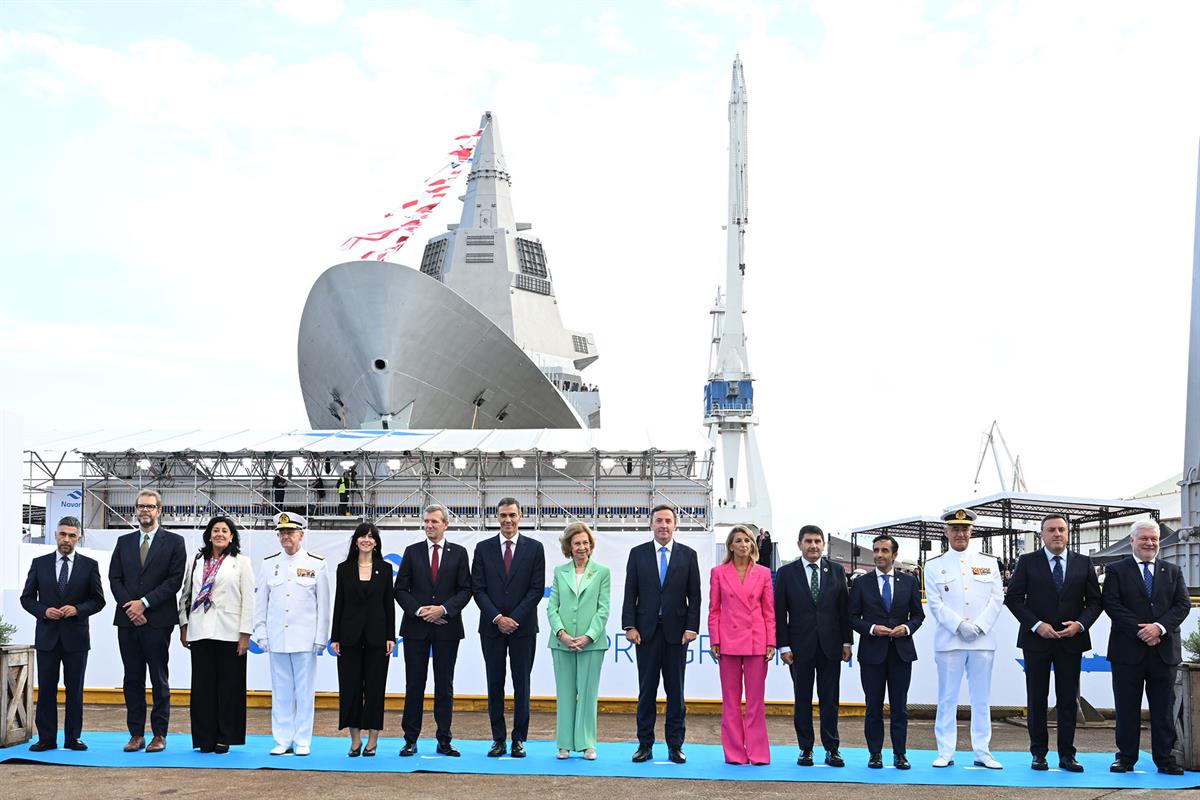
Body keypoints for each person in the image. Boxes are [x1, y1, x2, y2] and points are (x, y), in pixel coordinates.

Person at [1003, 513, 1102, 772]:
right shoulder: (1027, 562)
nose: (1057, 534)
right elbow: (1013, 599)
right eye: (1051, 530)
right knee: (1037, 697)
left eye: (1061, 529)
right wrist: (1037, 625)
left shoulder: (1083, 563)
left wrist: (1080, 625)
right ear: (1042, 535)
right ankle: (1038, 754)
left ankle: (1067, 755)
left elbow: (1095, 602)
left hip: (1071, 641)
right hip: (1037, 640)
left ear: (1068, 533)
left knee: (1068, 699)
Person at [1103, 519, 1190, 775]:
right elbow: (1112, 604)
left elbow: (1182, 605)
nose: (1149, 543)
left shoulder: (1173, 571)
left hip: (1163, 651)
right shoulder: (1116, 570)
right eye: (1143, 538)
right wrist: (1142, 630)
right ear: (1132, 541)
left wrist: (1159, 628)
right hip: (1127, 651)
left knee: (1163, 709)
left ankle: (1165, 759)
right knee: (1127, 707)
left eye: (1153, 539)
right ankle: (1125, 758)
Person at [924, 508, 1005, 769]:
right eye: (955, 529)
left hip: (982, 641)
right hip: (949, 641)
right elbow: (935, 604)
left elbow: (996, 598)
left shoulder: (989, 562)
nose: (960, 533)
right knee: (947, 698)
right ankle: (945, 751)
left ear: (972, 531)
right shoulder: (934, 565)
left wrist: (979, 626)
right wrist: (959, 625)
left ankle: (982, 751)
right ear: (946, 532)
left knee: (981, 699)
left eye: (965, 529)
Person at [108, 488, 187, 753]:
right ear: (135, 510)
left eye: (150, 506)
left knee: (158, 679)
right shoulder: (123, 542)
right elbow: (115, 579)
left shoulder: (175, 542)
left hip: (157, 621)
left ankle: (159, 735)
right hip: (127, 620)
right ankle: (136, 735)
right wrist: (131, 607)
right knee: (132, 679)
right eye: (141, 506)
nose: (145, 510)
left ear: (159, 510)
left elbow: (174, 581)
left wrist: (145, 603)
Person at [622, 504, 702, 764]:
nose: (663, 525)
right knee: (646, 691)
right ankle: (644, 745)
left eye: (668, 521)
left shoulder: (688, 555)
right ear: (651, 524)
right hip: (645, 634)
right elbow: (630, 593)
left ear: (675, 525)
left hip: (677, 635)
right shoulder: (637, 554)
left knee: (676, 693)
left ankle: (675, 745)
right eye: (658, 521)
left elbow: (695, 596)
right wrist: (629, 626)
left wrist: (692, 628)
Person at [20, 516, 106, 752]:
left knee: (75, 690)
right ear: (55, 534)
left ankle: (73, 738)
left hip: (76, 639)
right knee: (46, 689)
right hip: (47, 637)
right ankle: (46, 738)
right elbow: (26, 599)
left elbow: (99, 601)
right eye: (62, 534)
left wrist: (78, 609)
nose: (66, 539)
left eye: (71, 535)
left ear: (79, 537)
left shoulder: (90, 565)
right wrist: (44, 611)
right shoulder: (39, 563)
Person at [394, 504, 473, 757]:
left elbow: (465, 590)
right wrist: (420, 611)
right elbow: (400, 589)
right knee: (414, 684)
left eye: (434, 522)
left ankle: (444, 740)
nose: (429, 526)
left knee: (444, 685)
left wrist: (443, 610)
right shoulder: (412, 551)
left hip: (447, 629)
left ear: (445, 524)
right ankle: (410, 739)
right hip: (416, 629)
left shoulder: (459, 553)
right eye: (426, 521)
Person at [471, 497, 546, 758]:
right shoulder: (482, 548)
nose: (507, 520)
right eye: (503, 515)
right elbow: (477, 589)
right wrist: (497, 618)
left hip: (523, 629)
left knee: (521, 684)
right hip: (492, 628)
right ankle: (498, 739)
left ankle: (518, 740)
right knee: (495, 684)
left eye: (512, 515)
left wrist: (514, 618)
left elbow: (537, 589)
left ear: (520, 517)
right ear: (497, 518)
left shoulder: (535, 548)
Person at [253, 512, 331, 756]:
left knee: (305, 692)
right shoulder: (268, 563)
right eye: (282, 533)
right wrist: (262, 633)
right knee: (281, 691)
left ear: (301, 535)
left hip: (305, 639)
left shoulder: (317, 563)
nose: (286, 537)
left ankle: (303, 739)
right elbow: (261, 602)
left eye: (291, 532)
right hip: (277, 638)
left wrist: (321, 637)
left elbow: (324, 604)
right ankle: (283, 739)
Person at [775, 524, 852, 767]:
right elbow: (780, 613)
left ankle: (832, 749)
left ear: (823, 545)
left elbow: (844, 610)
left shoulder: (837, 571)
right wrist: (783, 646)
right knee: (803, 700)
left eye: (817, 541)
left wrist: (847, 641)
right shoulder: (787, 573)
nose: (813, 546)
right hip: (799, 649)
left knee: (830, 700)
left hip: (831, 647)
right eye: (808, 541)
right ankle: (805, 749)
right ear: (799, 544)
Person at [178, 516, 255, 754]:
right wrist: (183, 626)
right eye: (215, 530)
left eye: (225, 530)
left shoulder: (241, 562)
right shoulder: (196, 561)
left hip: (230, 632)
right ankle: (204, 737)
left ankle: (225, 736)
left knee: (229, 688)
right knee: (202, 688)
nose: (220, 534)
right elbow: (185, 595)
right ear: (209, 535)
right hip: (200, 630)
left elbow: (249, 600)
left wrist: (245, 634)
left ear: (232, 536)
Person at [848, 534, 924, 770]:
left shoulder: (909, 582)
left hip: (901, 654)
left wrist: (906, 628)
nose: (879, 555)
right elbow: (851, 616)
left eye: (884, 550)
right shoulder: (861, 583)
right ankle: (875, 754)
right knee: (873, 706)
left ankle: (900, 754)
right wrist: (871, 628)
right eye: (876, 550)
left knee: (900, 707)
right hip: (872, 654)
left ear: (894, 554)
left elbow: (918, 615)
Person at [708, 524, 775, 765]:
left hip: (757, 641)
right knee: (731, 701)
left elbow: (769, 611)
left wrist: (771, 642)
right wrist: (714, 639)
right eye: (738, 541)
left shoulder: (764, 573)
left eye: (747, 540)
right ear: (730, 546)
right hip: (728, 642)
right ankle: (735, 753)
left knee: (756, 702)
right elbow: (714, 610)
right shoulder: (718, 573)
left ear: (753, 545)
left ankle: (757, 753)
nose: (743, 545)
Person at [547, 522, 611, 761]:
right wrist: (561, 633)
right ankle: (563, 744)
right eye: (577, 543)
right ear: (569, 547)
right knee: (564, 694)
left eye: (585, 542)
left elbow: (603, 609)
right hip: (561, 643)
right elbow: (553, 607)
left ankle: (587, 744)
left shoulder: (602, 572)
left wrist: (588, 636)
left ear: (591, 545)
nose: (582, 547)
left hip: (592, 644)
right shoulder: (559, 571)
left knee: (587, 694)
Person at [330, 522, 395, 757]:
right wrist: (335, 636)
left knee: (376, 689)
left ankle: (373, 740)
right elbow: (339, 604)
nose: (366, 540)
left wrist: (391, 635)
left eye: (370, 537)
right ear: (356, 541)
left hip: (378, 638)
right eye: (362, 536)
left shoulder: (385, 569)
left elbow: (389, 605)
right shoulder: (343, 568)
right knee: (350, 689)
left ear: (376, 542)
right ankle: (355, 740)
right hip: (349, 638)